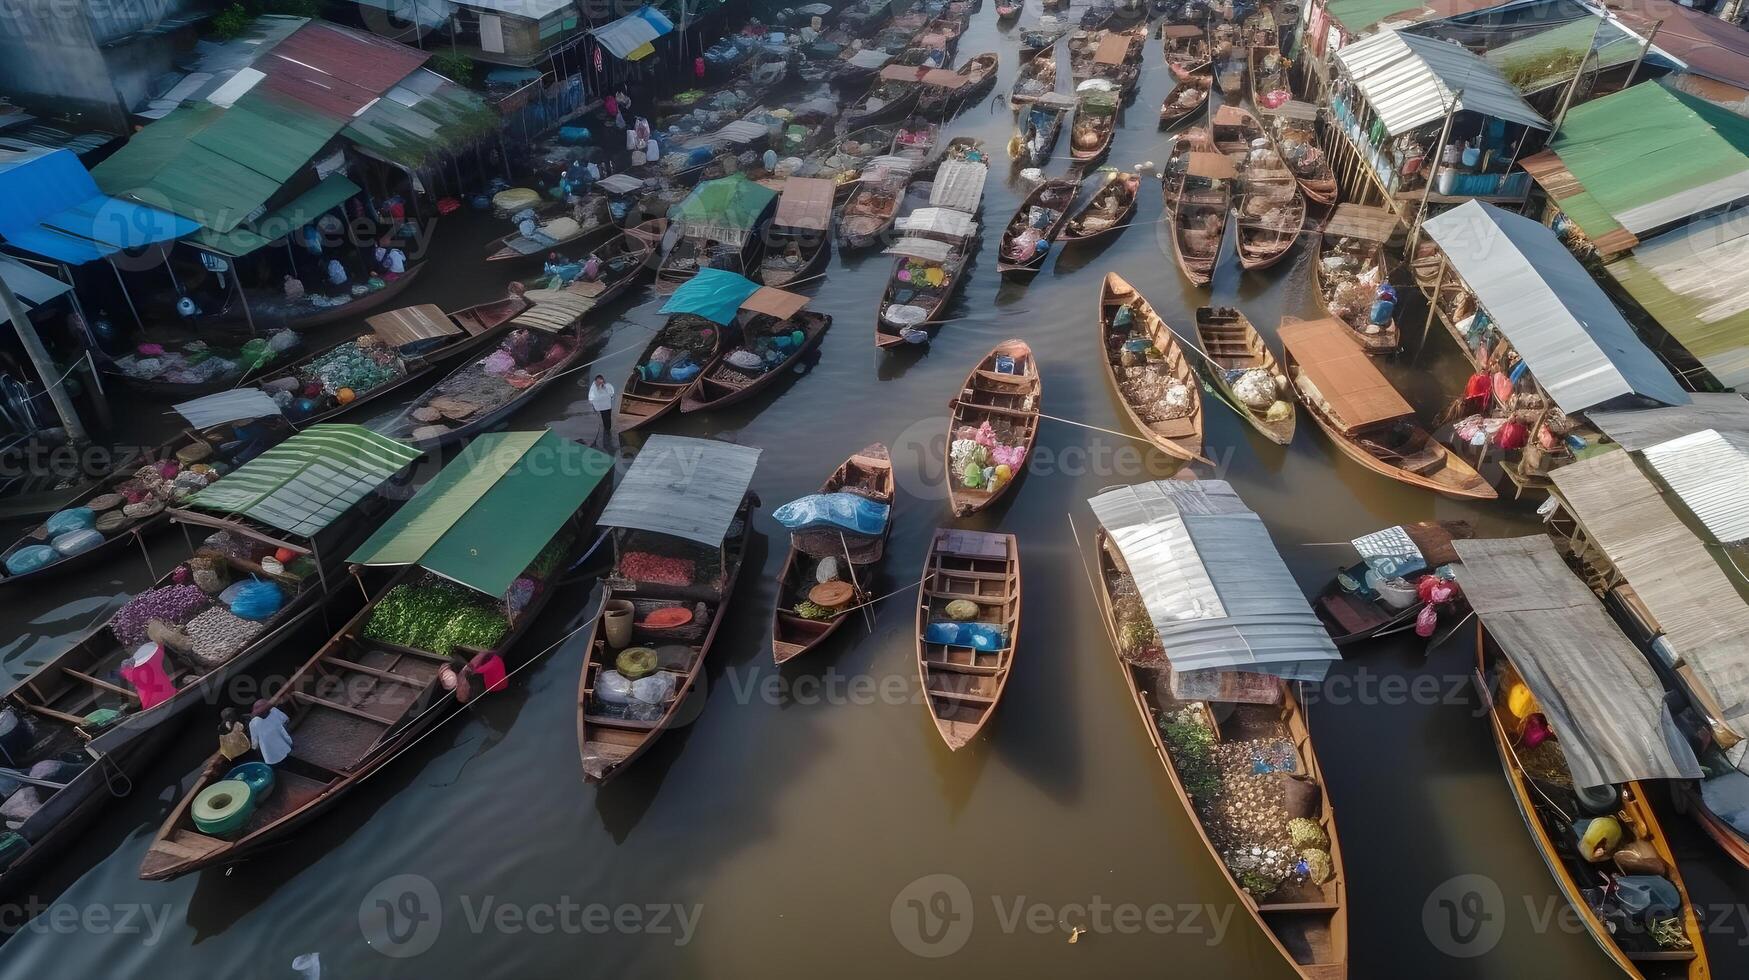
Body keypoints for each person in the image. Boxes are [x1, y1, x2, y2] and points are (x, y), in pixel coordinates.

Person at [248, 699, 293, 765]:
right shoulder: (253, 723)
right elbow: (286, 719)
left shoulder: (253, 723)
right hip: (278, 748)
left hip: (274, 751)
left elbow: (255, 743)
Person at [589, 374, 616, 442]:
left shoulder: (607, 386)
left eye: (601, 381)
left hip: (607, 405)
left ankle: (608, 428)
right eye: (598, 382)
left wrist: (611, 397)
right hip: (601, 406)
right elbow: (591, 397)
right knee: (604, 416)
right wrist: (593, 404)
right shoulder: (594, 388)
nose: (599, 383)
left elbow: (611, 393)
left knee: (608, 416)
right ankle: (607, 429)